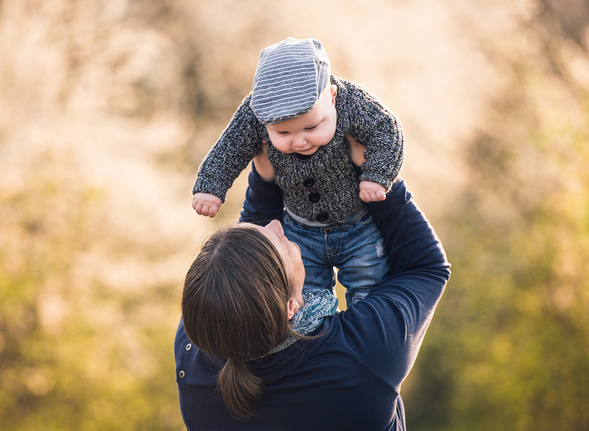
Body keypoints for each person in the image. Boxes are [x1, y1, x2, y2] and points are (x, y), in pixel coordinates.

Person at [175, 167, 450, 430]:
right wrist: (376, 172)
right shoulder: (363, 353)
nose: (276, 225)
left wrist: (265, 180)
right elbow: (425, 267)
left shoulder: (193, 346)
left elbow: (247, 279)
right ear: (290, 308)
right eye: (281, 243)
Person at [191, 37, 405, 305]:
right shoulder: (256, 113)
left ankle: (368, 337)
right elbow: (229, 148)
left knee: (370, 288)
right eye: (283, 133)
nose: (300, 141)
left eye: (312, 128)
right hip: (300, 233)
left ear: (332, 95)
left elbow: (387, 129)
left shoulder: (352, 101)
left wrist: (376, 175)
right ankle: (318, 341)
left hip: (358, 225)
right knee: (305, 298)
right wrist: (210, 186)